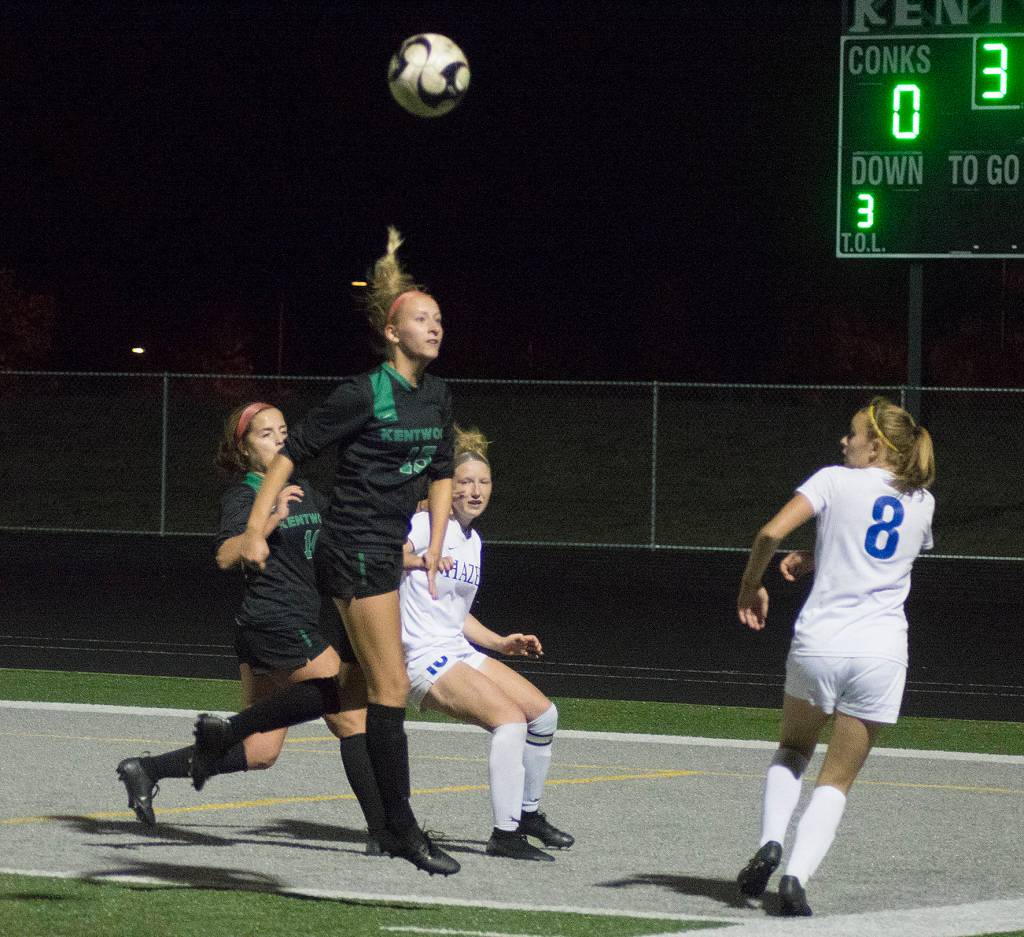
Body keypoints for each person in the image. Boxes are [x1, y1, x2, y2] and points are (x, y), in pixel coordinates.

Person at [188, 227, 460, 876]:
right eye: (422, 317)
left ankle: (229, 732)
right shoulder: (364, 392)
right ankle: (400, 826)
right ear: (393, 333)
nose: (435, 326)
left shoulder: (438, 396)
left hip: (384, 552)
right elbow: (290, 455)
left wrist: (436, 545)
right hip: (352, 550)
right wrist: (256, 525)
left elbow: (443, 472)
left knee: (348, 687)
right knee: (389, 686)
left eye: (440, 318)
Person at [116, 402, 388, 852]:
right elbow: (225, 555)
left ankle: (146, 769)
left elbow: (335, 538)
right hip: (277, 622)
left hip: (271, 627)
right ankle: (384, 832)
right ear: (243, 449)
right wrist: (269, 519)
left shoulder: (301, 486)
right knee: (351, 714)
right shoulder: (246, 495)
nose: (280, 438)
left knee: (260, 751)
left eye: (283, 430)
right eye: (266, 433)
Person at [734, 396, 935, 916]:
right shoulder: (921, 501)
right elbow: (879, 547)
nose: (844, 443)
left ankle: (771, 841)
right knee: (837, 779)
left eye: (852, 435)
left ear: (877, 447)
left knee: (794, 749)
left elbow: (769, 533)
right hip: (881, 651)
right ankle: (796, 877)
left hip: (820, 642)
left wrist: (750, 584)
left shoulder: (831, 479)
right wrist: (819, 555)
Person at [400, 426, 574, 861]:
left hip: (457, 649)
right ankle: (505, 834)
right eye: (464, 483)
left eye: (483, 482)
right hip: (422, 656)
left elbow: (456, 616)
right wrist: (421, 557)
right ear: (446, 488)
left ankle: (527, 812)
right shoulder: (425, 524)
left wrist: (499, 641)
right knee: (510, 721)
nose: (475, 491)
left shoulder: (473, 541)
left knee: (543, 715)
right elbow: (386, 556)